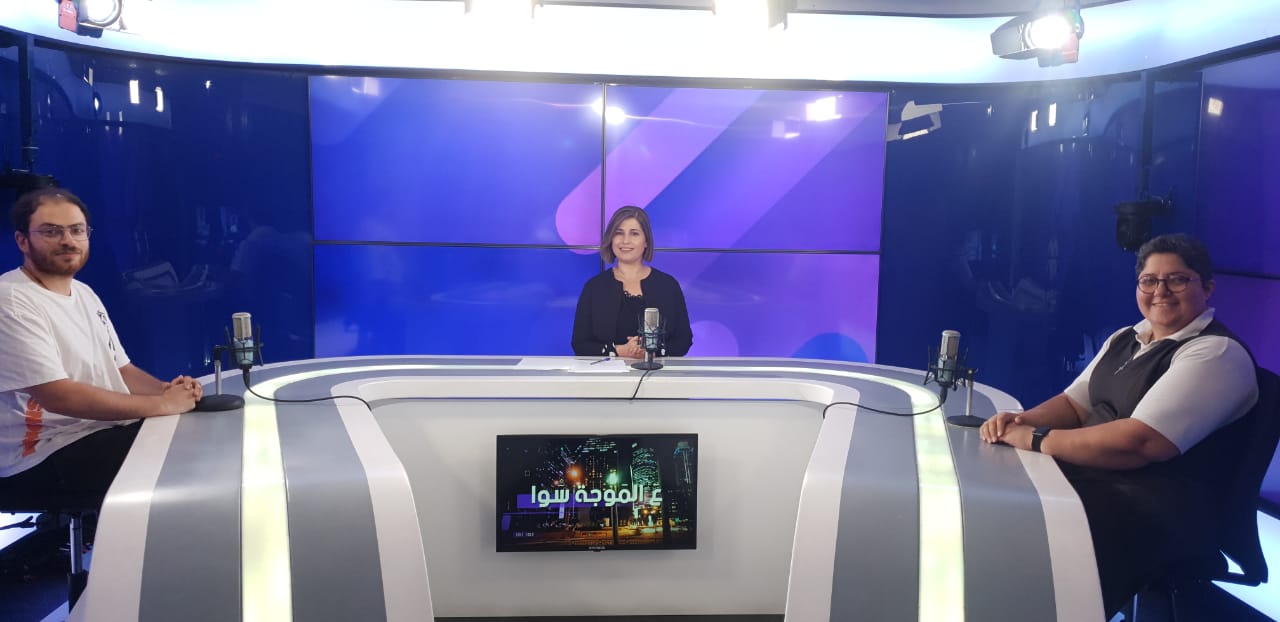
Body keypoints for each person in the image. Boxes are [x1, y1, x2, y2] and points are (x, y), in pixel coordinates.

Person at [979, 233, 1259, 616]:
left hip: (1158, 506)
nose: (1161, 291)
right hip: (1102, 479)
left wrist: (1035, 438)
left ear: (1207, 288)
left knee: (1034, 532)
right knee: (1001, 502)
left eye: (1177, 280)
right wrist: (1020, 421)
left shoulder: (1216, 352)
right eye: (1149, 280)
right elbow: (1074, 403)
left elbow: (1139, 443)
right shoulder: (1126, 337)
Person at [0, 188, 202, 511]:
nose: (67, 240)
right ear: (22, 241)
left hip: (94, 432)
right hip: (42, 453)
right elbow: (58, 396)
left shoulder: (84, 293)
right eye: (51, 231)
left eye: (76, 230)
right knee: (189, 460)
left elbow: (122, 370)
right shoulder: (11, 299)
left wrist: (169, 391)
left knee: (199, 432)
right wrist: (162, 405)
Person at [572, 206, 692, 359]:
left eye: (634, 233)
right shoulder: (594, 287)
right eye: (619, 233)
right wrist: (618, 351)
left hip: (658, 372)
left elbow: (683, 340)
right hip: (607, 373)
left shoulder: (668, 285)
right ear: (611, 239)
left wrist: (652, 351)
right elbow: (580, 344)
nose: (625, 240)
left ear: (646, 241)